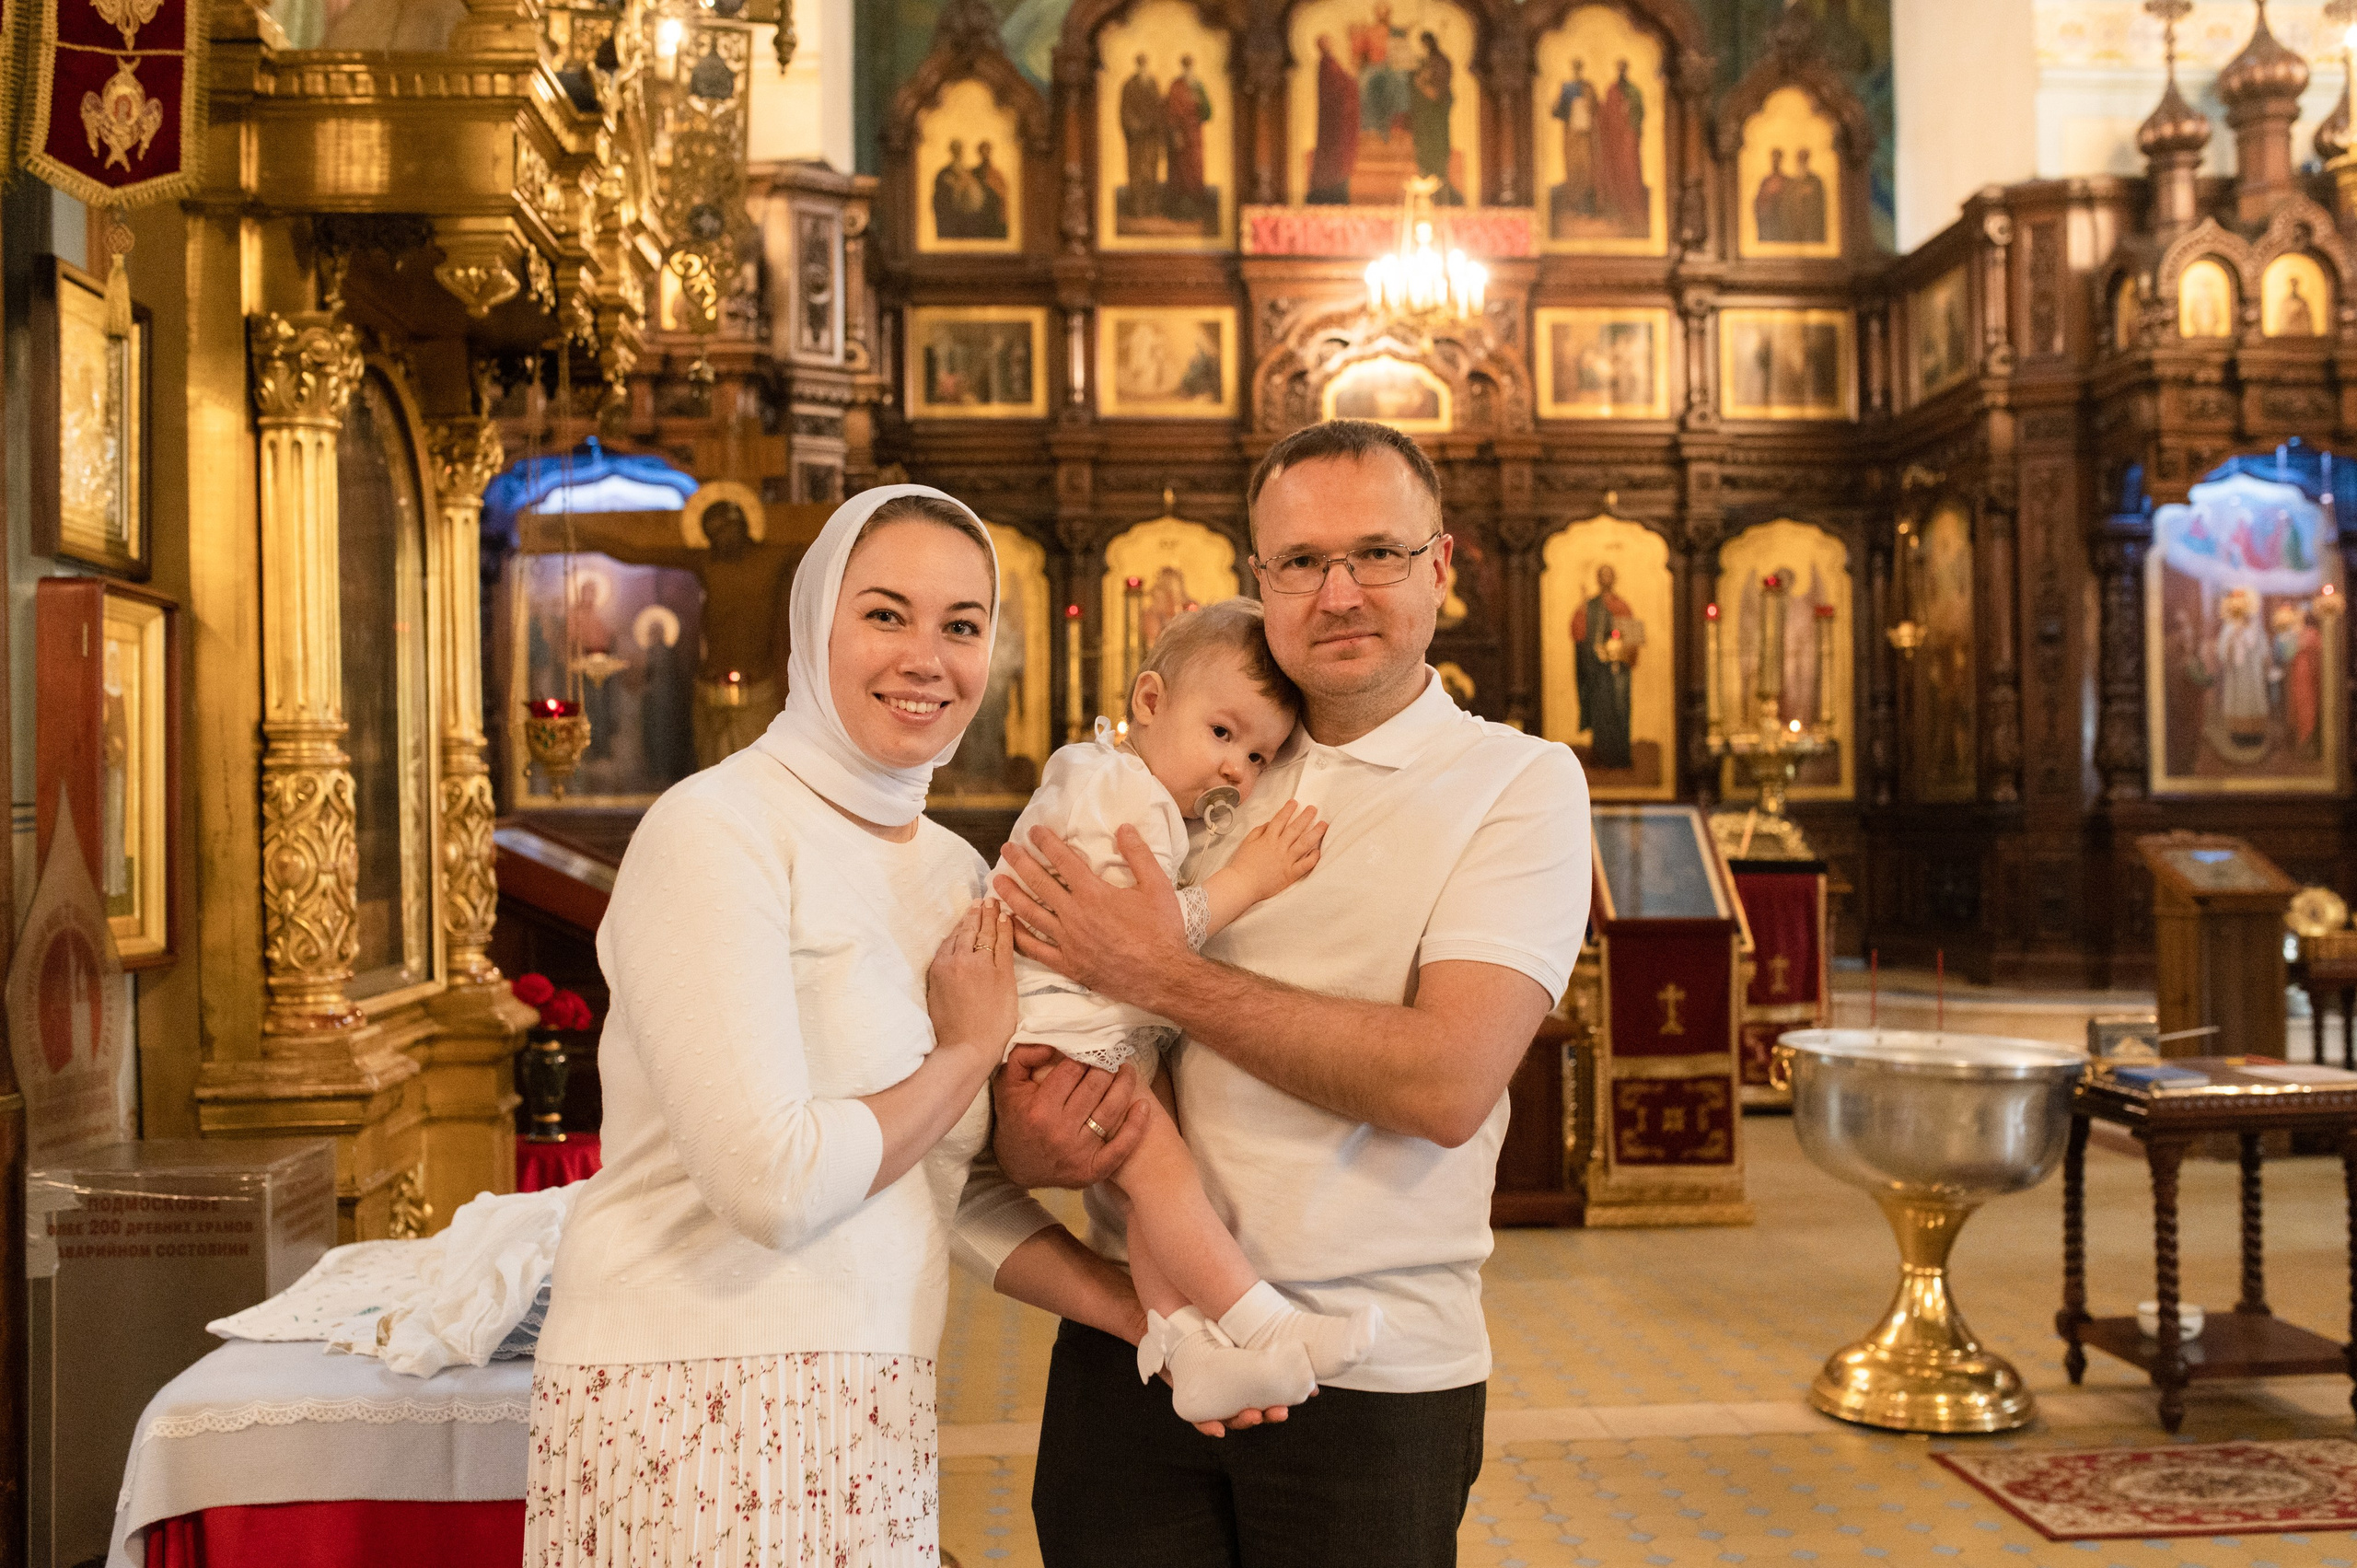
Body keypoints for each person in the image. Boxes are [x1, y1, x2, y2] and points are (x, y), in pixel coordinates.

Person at [526, 485, 1193, 1566]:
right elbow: (773, 1181)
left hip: (866, 1398)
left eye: (961, 625)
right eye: (885, 614)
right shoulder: (717, 830)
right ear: (812, 623)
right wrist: (967, 1051)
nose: (926, 657)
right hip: (692, 1397)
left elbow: (937, 1175)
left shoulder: (956, 872)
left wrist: (1136, 1313)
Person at [989, 420, 1593, 1567]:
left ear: (1440, 566)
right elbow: (1045, 1028)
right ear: (1257, 579)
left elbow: (1445, 1082)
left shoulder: (1517, 781)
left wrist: (1159, 970)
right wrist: (1031, 1127)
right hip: (1140, 1345)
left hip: (1369, 1371)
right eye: (1302, 561)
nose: (1339, 591)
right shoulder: (1199, 759)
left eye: (1377, 553)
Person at [992, 598, 1375, 1423]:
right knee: (1164, 1176)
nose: (1238, 769)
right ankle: (1269, 1325)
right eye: (1222, 733)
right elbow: (1141, 940)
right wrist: (1251, 878)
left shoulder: (1127, 785)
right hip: (1070, 1036)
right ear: (1150, 701)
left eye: (1259, 754)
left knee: (1153, 1195)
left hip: (1097, 1031)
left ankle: (1190, 1352)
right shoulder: (1113, 792)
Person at [1573, 562, 1642, 770]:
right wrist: (1582, 614)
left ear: (1614, 579)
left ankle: (1619, 757)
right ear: (1598, 579)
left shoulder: (1621, 606)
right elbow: (1578, 632)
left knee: (1618, 710)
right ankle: (1600, 756)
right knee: (1600, 712)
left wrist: (1619, 650)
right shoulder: (1590, 605)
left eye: (1609, 574)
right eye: (1602, 575)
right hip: (1597, 671)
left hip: (1617, 670)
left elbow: (1632, 639)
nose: (1606, 578)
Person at [1307, 32, 1358, 203]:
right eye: (1328, 42)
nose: (1332, 44)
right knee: (1336, 160)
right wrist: (1351, 80)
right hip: (1334, 126)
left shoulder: (1330, 63)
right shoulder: (1327, 64)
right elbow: (1339, 87)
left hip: (1339, 124)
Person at [1409, 30, 1457, 203]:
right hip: (1424, 122)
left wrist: (1421, 84)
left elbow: (1436, 93)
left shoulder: (1440, 62)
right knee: (1424, 152)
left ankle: (1439, 190)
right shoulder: (1426, 62)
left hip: (1437, 121)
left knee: (1437, 155)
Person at [1165, 52, 1213, 223]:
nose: (1188, 69)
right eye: (1186, 66)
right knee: (1179, 170)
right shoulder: (1176, 86)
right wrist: (1176, 134)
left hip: (1195, 135)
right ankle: (1178, 210)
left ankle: (1196, 208)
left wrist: (1200, 101)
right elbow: (1170, 112)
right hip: (1180, 135)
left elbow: (1208, 113)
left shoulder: (1198, 86)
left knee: (1195, 168)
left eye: (1190, 66)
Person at [1120, 52, 1168, 220]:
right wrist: (1137, 126)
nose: (1143, 67)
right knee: (1137, 172)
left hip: (1151, 137)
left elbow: (1158, 108)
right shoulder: (1129, 85)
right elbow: (1125, 111)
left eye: (1144, 64)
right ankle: (1137, 209)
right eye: (1140, 64)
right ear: (1137, 65)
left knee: (1151, 171)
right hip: (1137, 140)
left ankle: (1151, 208)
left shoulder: (1153, 83)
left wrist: (1157, 130)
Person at [1550, 58, 1598, 223]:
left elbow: (1596, 108)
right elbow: (1558, 112)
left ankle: (1587, 206)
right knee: (1573, 168)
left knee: (1586, 167)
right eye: (1575, 67)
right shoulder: (1567, 88)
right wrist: (1555, 105)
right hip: (1571, 135)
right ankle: (1574, 205)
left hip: (1585, 136)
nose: (1577, 70)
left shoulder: (1588, 87)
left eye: (1579, 67)